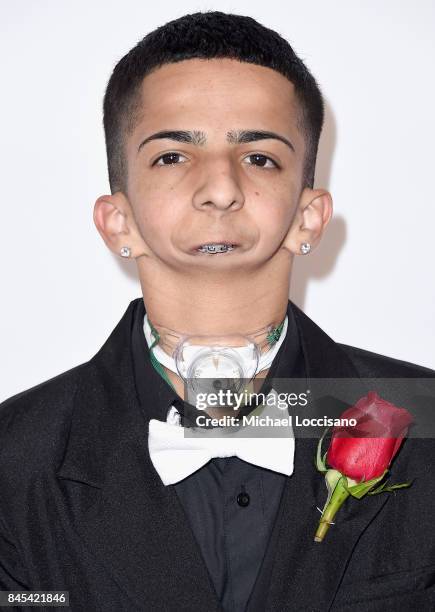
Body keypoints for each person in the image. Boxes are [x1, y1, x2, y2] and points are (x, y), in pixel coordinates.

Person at [0, 11, 434, 612]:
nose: (221, 189)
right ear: (117, 220)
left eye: (259, 157)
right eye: (172, 157)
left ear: (310, 215)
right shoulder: (12, 461)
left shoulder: (429, 420)